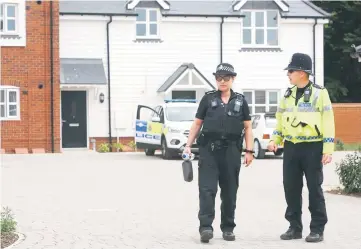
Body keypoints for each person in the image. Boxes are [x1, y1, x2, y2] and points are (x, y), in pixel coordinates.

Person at [268, 53, 335, 243]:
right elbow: (280, 121)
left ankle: (317, 229)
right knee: (291, 188)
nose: (288, 74)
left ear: (302, 72)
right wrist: (275, 140)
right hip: (291, 147)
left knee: (314, 188)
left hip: (312, 147)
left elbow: (328, 121)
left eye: (291, 71)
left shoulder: (320, 93)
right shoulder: (287, 95)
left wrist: (328, 149)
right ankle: (294, 227)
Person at [183, 62, 254, 243]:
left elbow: (247, 128)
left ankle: (228, 228)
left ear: (233, 79)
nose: (222, 81)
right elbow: (197, 123)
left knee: (230, 191)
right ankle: (206, 227)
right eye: (219, 78)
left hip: (231, 151)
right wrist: (188, 145)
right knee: (207, 190)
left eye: (226, 78)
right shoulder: (208, 99)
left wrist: (249, 150)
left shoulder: (240, 101)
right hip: (209, 151)